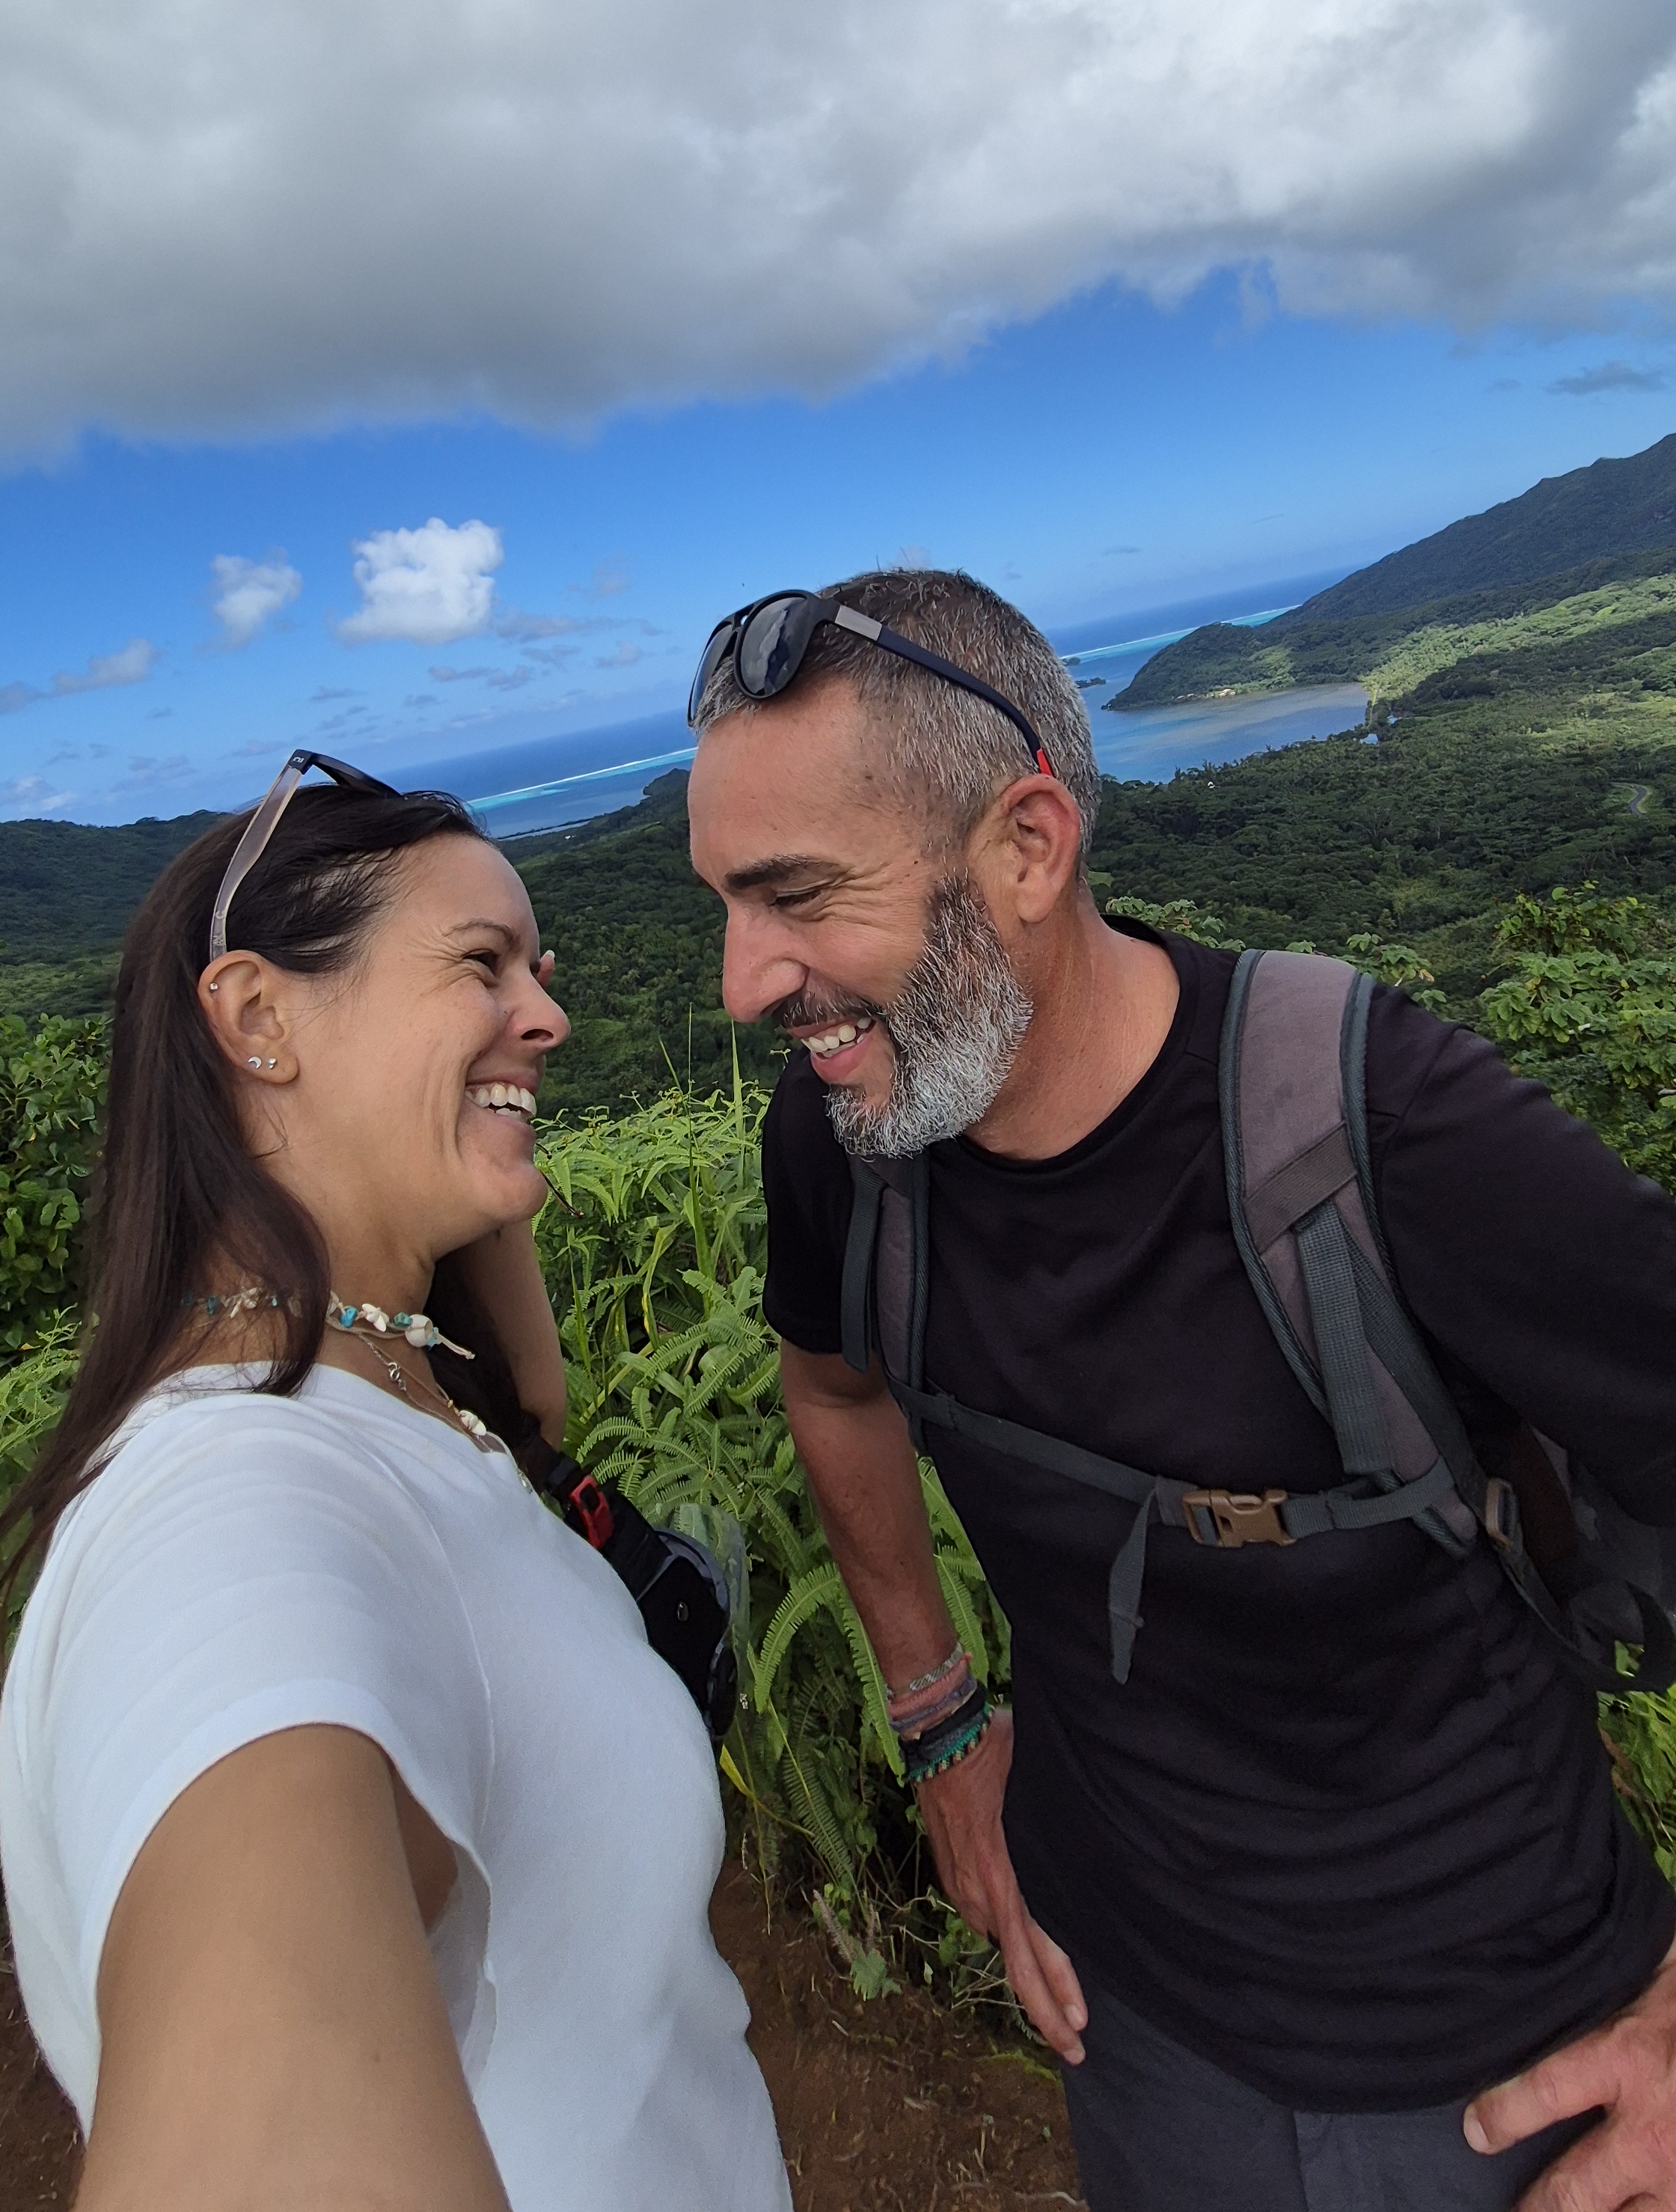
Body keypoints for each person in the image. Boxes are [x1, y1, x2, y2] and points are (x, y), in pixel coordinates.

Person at [686, 570, 1676, 2212]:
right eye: (726, 902)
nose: (742, 982)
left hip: (1502, 2058)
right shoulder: (847, 1148)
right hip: (1133, 2022)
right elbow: (834, 1392)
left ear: (1027, 846)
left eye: (797, 894)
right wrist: (941, 1726)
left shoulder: (1376, 1125)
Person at [0, 753, 790, 2212]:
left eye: (538, 969)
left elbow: (527, 1410)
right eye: (482, 963)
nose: (548, 1013)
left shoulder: (386, 1380)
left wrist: (454, 1130)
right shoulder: (225, 1508)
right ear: (257, 1018)